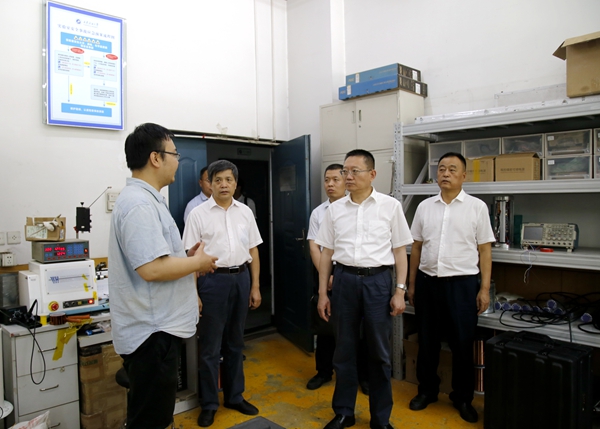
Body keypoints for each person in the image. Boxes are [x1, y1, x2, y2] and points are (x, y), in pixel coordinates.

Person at [108, 123, 218, 429]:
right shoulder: (139, 204)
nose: (178, 161)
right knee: (150, 420)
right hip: (152, 334)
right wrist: (197, 263)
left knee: (154, 415)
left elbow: (158, 259)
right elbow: (152, 269)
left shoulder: (149, 200)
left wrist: (186, 257)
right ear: (156, 158)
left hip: (156, 328)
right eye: (174, 154)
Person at [315, 149, 413, 429]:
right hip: (344, 281)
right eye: (345, 171)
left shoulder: (390, 206)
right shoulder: (335, 210)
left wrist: (400, 290)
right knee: (344, 350)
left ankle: (380, 419)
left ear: (372, 174)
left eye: (354, 171)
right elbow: (326, 253)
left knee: (379, 353)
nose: (348, 176)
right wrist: (323, 293)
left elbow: (400, 251)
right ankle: (344, 412)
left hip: (378, 282)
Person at [407, 152, 494, 424]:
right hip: (428, 283)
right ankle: (427, 390)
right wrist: (411, 284)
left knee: (462, 344)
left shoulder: (477, 207)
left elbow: (485, 250)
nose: (445, 173)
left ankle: (463, 398)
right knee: (427, 341)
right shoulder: (424, 207)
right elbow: (416, 247)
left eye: (452, 169)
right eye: (441, 168)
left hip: (463, 285)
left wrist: (484, 289)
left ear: (464, 176)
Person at [182, 159, 262, 428]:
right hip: (212, 282)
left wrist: (255, 286)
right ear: (210, 184)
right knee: (210, 347)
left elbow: (253, 250)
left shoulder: (245, 212)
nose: (224, 185)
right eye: (218, 180)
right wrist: (194, 294)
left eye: (229, 180)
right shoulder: (198, 214)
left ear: (235, 183)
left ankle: (234, 396)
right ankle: (209, 404)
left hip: (241, 278)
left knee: (235, 343)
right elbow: (190, 257)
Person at [306, 164, 370, 394]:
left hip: (350, 272)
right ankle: (324, 371)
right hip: (325, 271)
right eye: (327, 180)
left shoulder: (358, 208)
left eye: (335, 179)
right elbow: (314, 246)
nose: (330, 184)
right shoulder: (318, 212)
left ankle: (363, 375)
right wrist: (326, 277)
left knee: (358, 327)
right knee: (326, 325)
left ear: (346, 181)